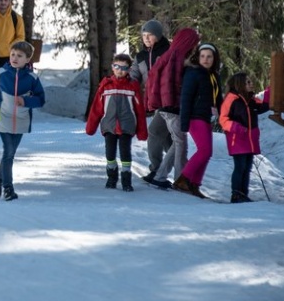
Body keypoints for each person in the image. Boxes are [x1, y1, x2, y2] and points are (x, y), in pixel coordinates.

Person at [144, 27, 201, 189]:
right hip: (172, 107)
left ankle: (166, 176)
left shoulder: (169, 55)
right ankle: (175, 179)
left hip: (164, 107)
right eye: (194, 42)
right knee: (180, 143)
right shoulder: (177, 58)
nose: (195, 46)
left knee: (178, 143)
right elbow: (173, 84)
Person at [0, 41, 46, 201]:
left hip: (21, 120)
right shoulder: (0, 73)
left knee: (10, 154)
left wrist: (25, 101)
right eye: (13, 54)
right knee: (8, 153)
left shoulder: (32, 78)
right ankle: (8, 189)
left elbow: (41, 99)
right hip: (3, 118)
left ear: (28, 59)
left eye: (19, 56)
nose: (15, 58)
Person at [86, 53, 148, 192]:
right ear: (112, 67)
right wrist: (91, 127)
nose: (120, 70)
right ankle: (111, 178)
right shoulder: (106, 85)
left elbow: (139, 111)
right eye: (117, 66)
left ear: (129, 69)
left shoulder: (132, 87)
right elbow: (97, 107)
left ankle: (126, 181)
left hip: (127, 126)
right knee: (110, 153)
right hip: (109, 125)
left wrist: (142, 131)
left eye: (124, 67)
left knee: (125, 152)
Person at [172, 43, 223, 198]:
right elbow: (186, 98)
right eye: (202, 56)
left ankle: (194, 184)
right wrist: (184, 122)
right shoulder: (193, 73)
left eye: (209, 56)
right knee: (204, 150)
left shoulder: (214, 75)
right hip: (195, 116)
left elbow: (218, 98)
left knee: (208, 152)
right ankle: (183, 179)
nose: (205, 59)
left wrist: (222, 114)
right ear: (197, 57)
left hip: (206, 116)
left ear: (214, 58)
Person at [130, 19, 173, 183]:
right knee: (168, 138)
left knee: (155, 133)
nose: (146, 38)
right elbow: (134, 76)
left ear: (159, 35)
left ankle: (157, 171)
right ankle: (182, 171)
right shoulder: (140, 56)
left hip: (169, 99)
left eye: (151, 35)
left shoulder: (169, 51)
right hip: (155, 101)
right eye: (144, 35)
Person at [219, 72, 270, 203]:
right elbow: (223, 119)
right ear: (239, 83)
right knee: (240, 166)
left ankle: (243, 194)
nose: (251, 84)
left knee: (247, 167)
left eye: (250, 82)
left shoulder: (252, 99)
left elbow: (263, 107)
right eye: (248, 82)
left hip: (250, 139)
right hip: (237, 138)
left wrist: (271, 90)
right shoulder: (231, 99)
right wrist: (236, 128)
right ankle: (236, 194)